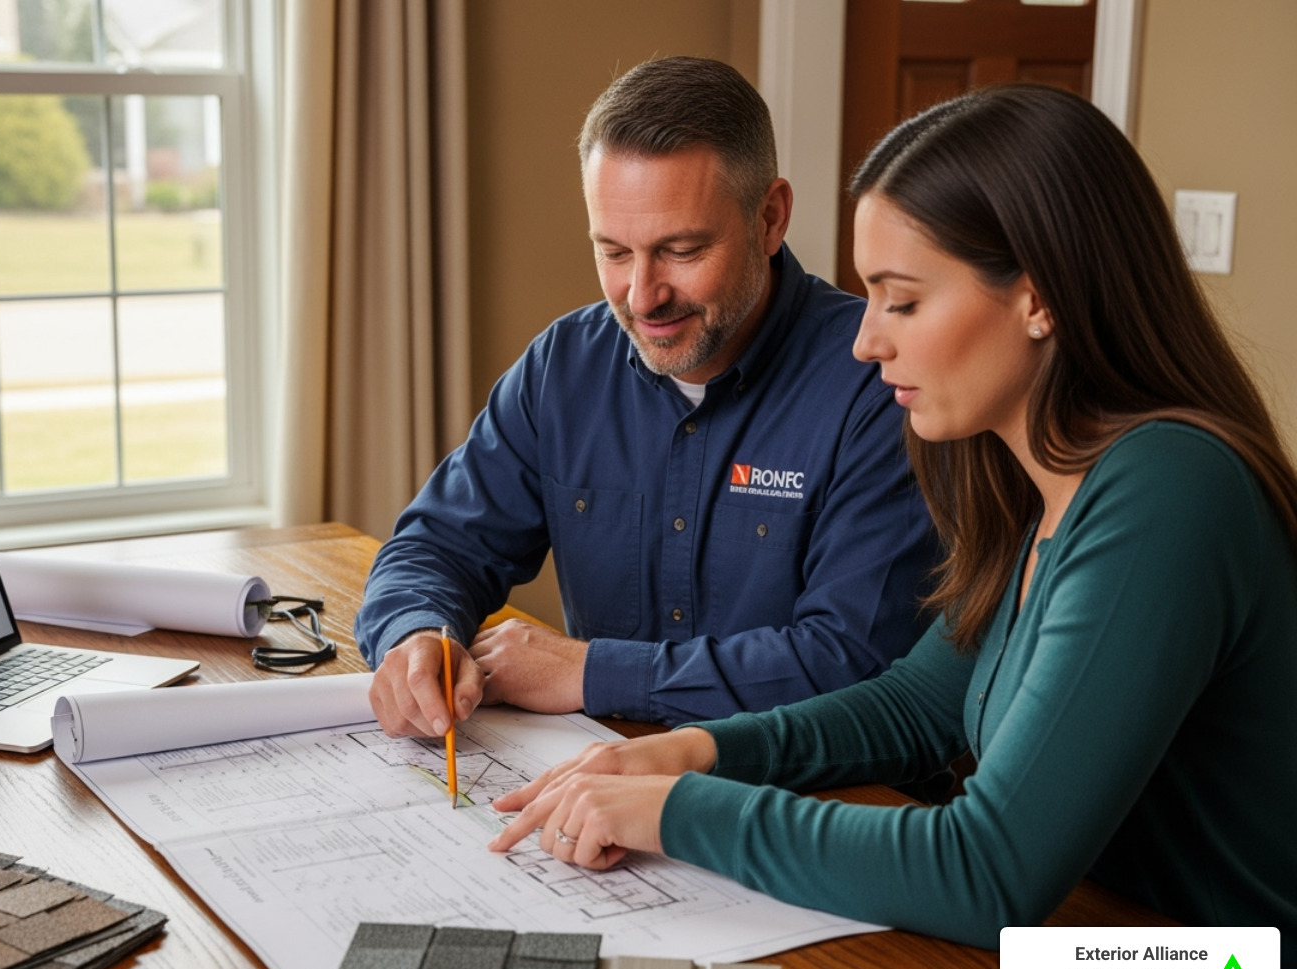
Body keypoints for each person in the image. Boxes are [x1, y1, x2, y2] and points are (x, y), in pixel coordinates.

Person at [489, 83, 1297, 969]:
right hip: (1088, 944)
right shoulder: (1035, 480)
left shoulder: (1168, 491)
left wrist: (674, 810)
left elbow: (986, 873)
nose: (866, 341)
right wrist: (698, 750)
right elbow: (918, 704)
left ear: (1038, 298)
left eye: (901, 301)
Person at [356, 57, 936, 736]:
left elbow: (853, 661)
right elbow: (437, 546)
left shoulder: (880, 382)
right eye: (615, 252)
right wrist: (416, 632)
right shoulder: (563, 367)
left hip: (808, 803)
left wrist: (591, 672)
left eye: (682, 250)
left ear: (771, 218)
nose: (642, 296)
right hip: (601, 788)